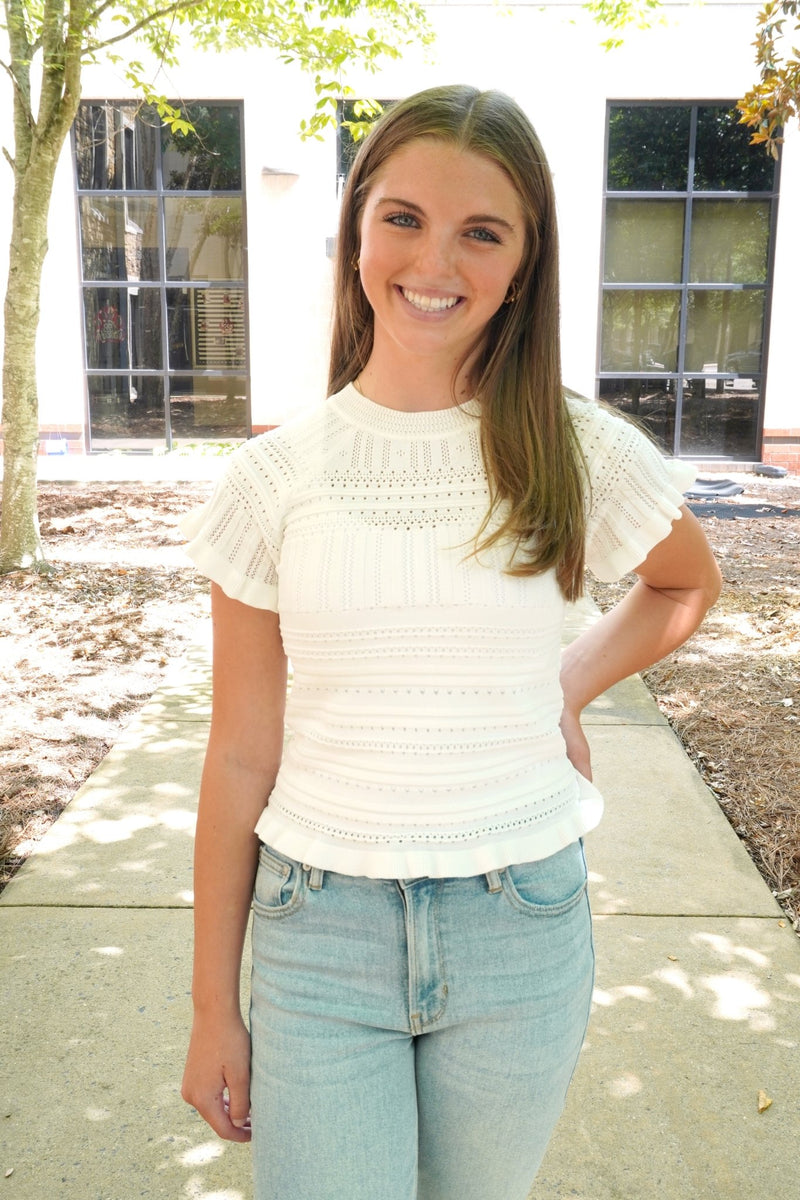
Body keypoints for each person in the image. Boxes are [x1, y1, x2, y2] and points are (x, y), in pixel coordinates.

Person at [180, 84, 721, 1200]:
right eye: (403, 217)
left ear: (524, 262)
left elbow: (680, 585)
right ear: (357, 230)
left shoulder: (579, 451)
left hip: (518, 924)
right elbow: (238, 754)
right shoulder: (271, 480)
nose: (435, 260)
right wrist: (209, 1009)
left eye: (482, 230)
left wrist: (565, 686)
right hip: (316, 933)